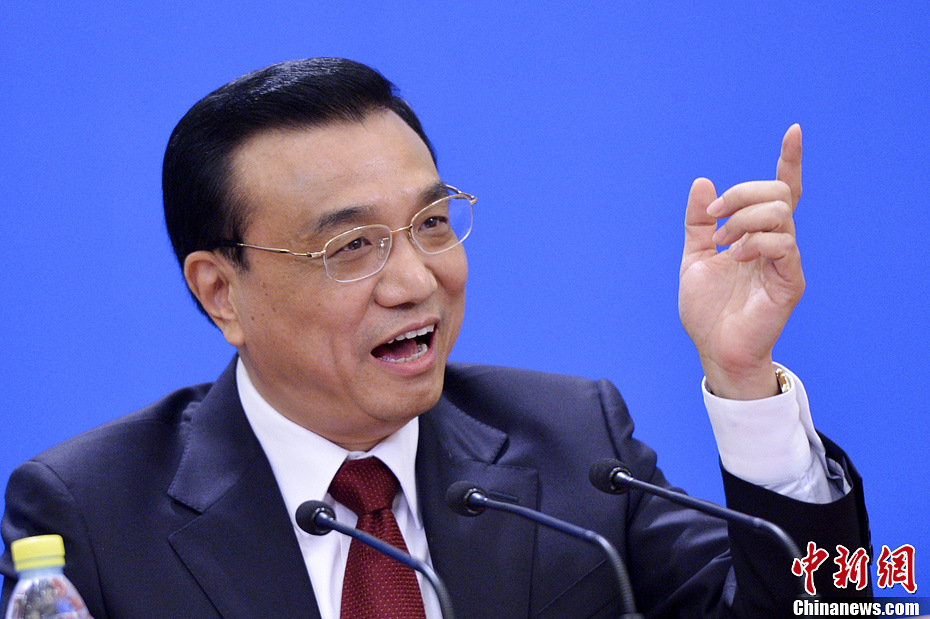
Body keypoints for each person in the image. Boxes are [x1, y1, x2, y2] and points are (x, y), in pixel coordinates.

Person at [0, 58, 869, 618]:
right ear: (221, 292)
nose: (416, 280)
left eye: (432, 223)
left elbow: (822, 610)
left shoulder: (573, 444)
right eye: (352, 246)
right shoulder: (91, 516)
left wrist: (742, 375)